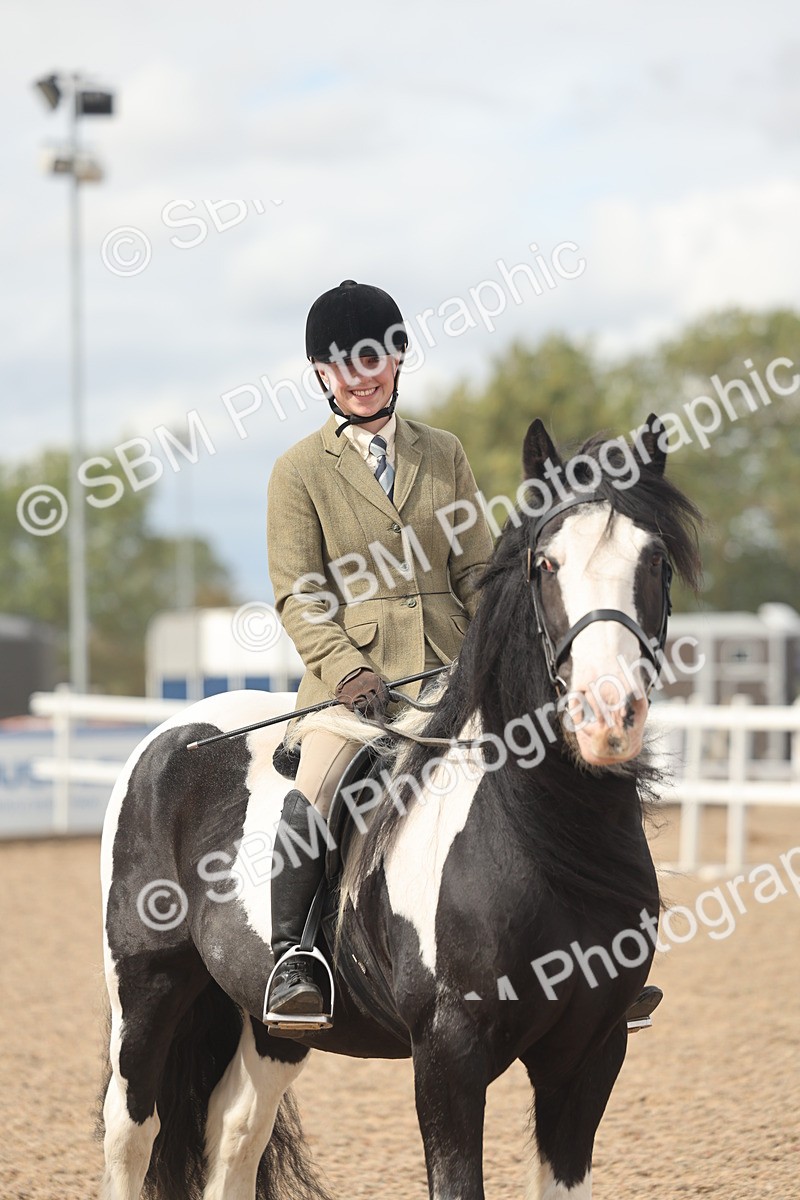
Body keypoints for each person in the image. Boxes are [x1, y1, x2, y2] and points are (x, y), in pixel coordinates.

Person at [265, 280, 493, 1023]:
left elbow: (477, 571)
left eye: (374, 358)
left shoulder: (444, 453)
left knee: (546, 755)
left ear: (396, 358)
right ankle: (293, 955)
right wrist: (347, 669)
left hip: (452, 668)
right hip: (355, 688)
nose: (361, 377)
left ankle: (591, 939)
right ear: (322, 375)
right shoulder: (299, 470)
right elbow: (299, 595)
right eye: (343, 365)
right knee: (319, 786)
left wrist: (496, 651)